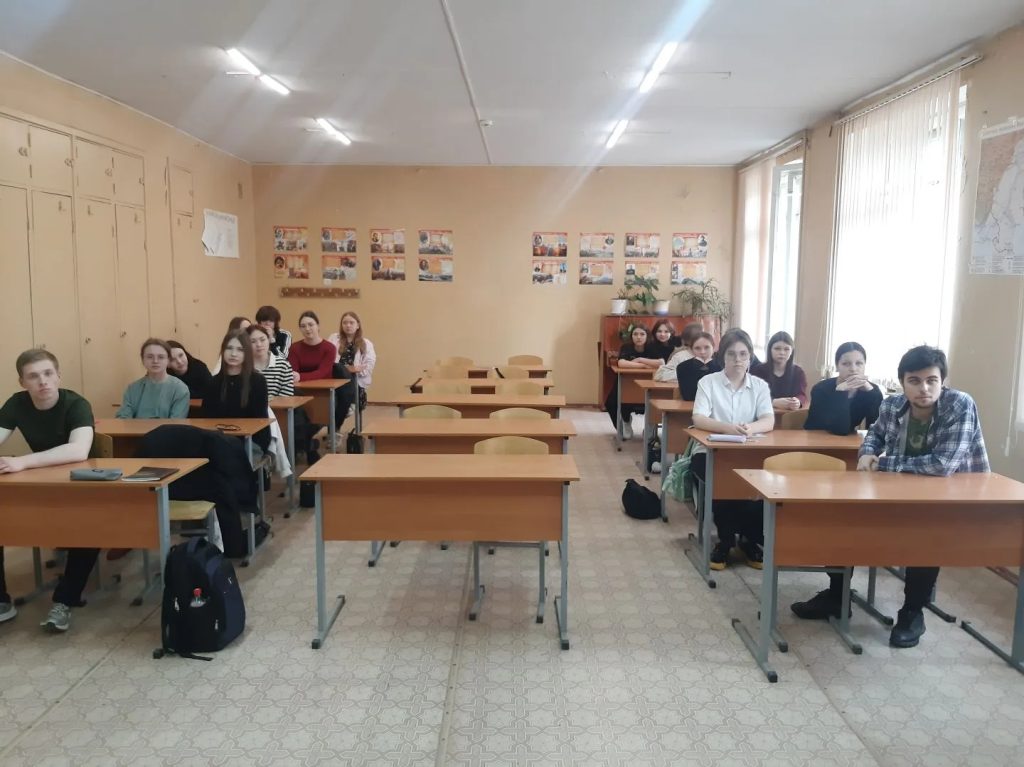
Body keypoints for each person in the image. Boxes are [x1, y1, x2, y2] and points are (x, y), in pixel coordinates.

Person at [791, 346, 989, 649]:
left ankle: (912, 612)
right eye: (914, 381)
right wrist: (868, 452)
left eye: (932, 381)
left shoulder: (959, 404)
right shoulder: (893, 404)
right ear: (902, 382)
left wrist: (882, 463)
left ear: (943, 381)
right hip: (900, 488)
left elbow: (943, 465)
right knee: (844, 518)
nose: (924, 389)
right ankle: (837, 595)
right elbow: (874, 435)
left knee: (927, 536)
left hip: (950, 496)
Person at [0, 349, 99, 632]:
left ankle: (64, 601)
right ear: (22, 382)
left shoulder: (76, 404)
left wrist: (21, 462)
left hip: (83, 485)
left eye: (47, 373)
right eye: (33, 376)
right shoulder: (16, 403)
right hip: (43, 481)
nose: (42, 381)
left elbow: (78, 450)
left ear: (58, 376)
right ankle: (2, 601)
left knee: (90, 528)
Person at [691, 328, 775, 569]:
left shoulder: (759, 386)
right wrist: (727, 428)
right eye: (731, 354)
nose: (738, 360)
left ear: (750, 357)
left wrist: (750, 428)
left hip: (748, 451)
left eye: (743, 354)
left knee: (761, 480)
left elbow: (768, 420)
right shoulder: (708, 382)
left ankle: (749, 539)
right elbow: (698, 418)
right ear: (722, 357)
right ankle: (725, 541)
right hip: (710, 451)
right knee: (722, 478)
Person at [201, 331, 270, 454]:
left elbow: (260, 421)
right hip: (219, 440)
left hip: (251, 441)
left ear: (247, 353)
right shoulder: (213, 382)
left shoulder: (257, 381)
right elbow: (207, 419)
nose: (233, 354)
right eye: (229, 348)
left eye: (240, 349)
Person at [804, 341, 883, 435]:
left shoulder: (870, 389)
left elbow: (878, 431)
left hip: (847, 440)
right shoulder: (821, 389)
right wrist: (840, 392)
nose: (853, 369)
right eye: (846, 364)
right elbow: (839, 430)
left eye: (859, 363)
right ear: (837, 366)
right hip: (816, 438)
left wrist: (872, 393)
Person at [605, 324, 661, 438]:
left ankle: (650, 425)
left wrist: (640, 359)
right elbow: (621, 363)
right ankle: (624, 423)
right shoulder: (626, 347)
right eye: (635, 334)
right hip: (627, 382)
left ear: (647, 336)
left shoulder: (653, 347)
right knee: (611, 403)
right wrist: (643, 366)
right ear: (631, 336)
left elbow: (661, 363)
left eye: (642, 334)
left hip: (650, 384)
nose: (638, 337)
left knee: (658, 400)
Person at [116, 338, 191, 419]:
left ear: (168, 360)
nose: (155, 361)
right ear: (143, 360)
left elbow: (176, 422)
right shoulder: (132, 389)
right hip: (135, 428)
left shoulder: (180, 389)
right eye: (150, 357)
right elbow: (123, 419)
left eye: (161, 357)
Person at [327, 311, 377, 430]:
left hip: (356, 382)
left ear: (358, 325)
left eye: (351, 322)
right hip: (335, 380)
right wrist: (348, 369)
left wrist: (351, 371)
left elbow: (368, 367)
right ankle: (334, 429)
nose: (348, 325)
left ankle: (334, 430)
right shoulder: (334, 338)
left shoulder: (366, 343)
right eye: (345, 323)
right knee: (330, 401)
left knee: (343, 400)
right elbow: (327, 360)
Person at [751, 331, 808, 411]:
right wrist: (773, 402)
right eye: (777, 348)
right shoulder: (758, 370)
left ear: (791, 351)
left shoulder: (798, 372)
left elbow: (802, 394)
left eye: (786, 349)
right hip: (763, 413)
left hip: (789, 414)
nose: (782, 352)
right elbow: (753, 396)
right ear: (770, 350)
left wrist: (798, 402)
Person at [247, 325, 295, 399]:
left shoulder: (283, 365)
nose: (259, 344)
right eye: (253, 341)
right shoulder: (243, 366)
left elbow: (286, 399)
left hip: (278, 406)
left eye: (262, 340)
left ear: (269, 340)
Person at [287, 311, 336, 382]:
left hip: (324, 386)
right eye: (303, 326)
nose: (307, 329)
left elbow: (322, 373)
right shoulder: (294, 348)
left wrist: (300, 377)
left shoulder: (330, 348)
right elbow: (294, 374)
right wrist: (297, 377)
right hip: (300, 386)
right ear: (300, 329)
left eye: (310, 325)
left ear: (318, 326)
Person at [676, 332, 720, 400]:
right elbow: (688, 396)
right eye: (697, 348)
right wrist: (699, 366)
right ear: (691, 350)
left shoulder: (722, 366)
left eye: (707, 347)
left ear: (713, 348)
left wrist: (709, 365)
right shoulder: (682, 367)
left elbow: (720, 394)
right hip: (692, 405)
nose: (702, 352)